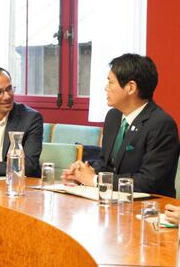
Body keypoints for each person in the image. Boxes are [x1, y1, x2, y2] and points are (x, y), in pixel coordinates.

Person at [61, 54, 179, 196]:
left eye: (111, 82)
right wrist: (83, 174)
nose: (106, 88)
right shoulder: (113, 116)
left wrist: (95, 180)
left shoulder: (161, 124)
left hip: (149, 205)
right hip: (113, 201)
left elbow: (148, 181)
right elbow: (105, 164)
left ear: (131, 88)